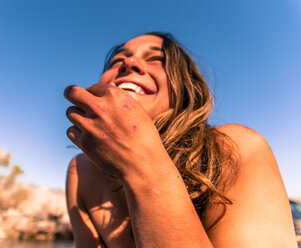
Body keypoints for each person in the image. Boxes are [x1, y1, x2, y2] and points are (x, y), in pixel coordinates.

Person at [64, 32, 297, 247]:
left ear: (184, 88)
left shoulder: (235, 148)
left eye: (156, 59)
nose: (129, 63)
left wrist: (141, 167)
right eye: (117, 61)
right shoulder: (81, 171)